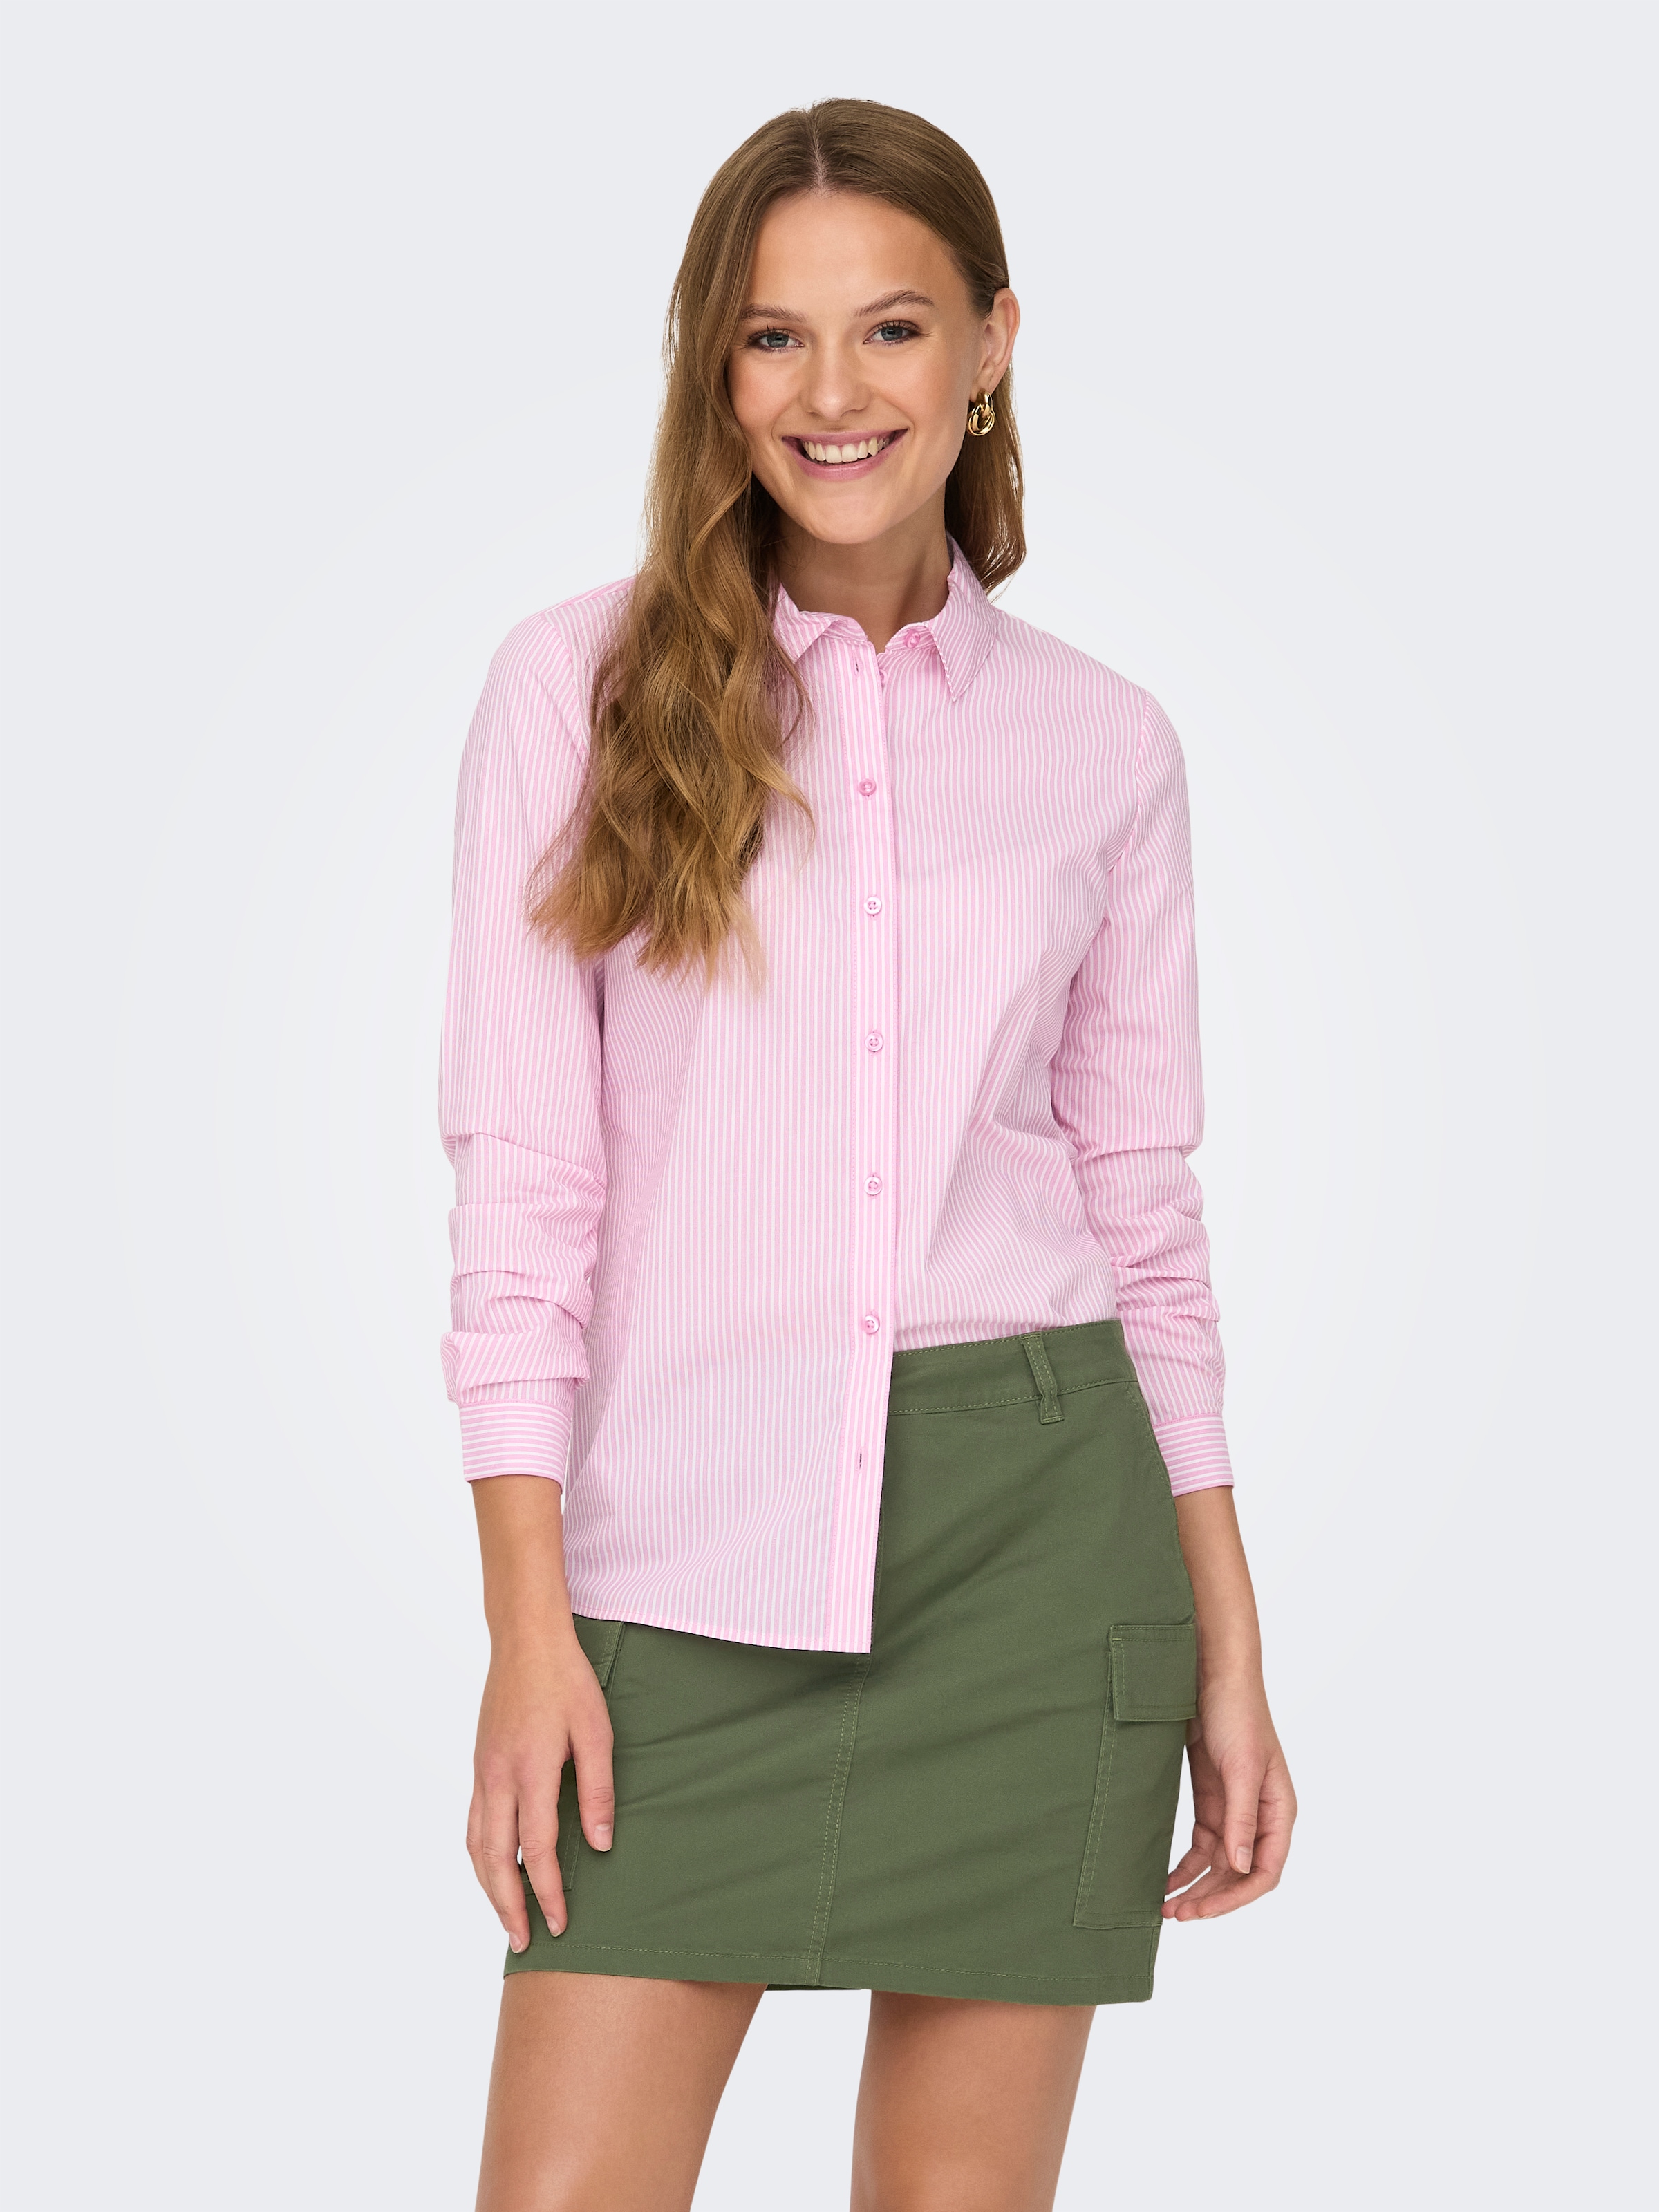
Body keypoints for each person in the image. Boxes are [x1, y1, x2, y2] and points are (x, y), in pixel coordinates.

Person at [441, 96, 1296, 2212]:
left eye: (893, 328)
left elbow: (1142, 1206)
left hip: (1034, 1543)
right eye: (773, 337)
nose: (833, 392)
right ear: (715, 370)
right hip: (680, 1562)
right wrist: (528, 1632)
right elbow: (526, 1190)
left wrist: (1229, 1639)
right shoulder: (577, 689)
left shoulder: (1104, 745)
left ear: (991, 344)